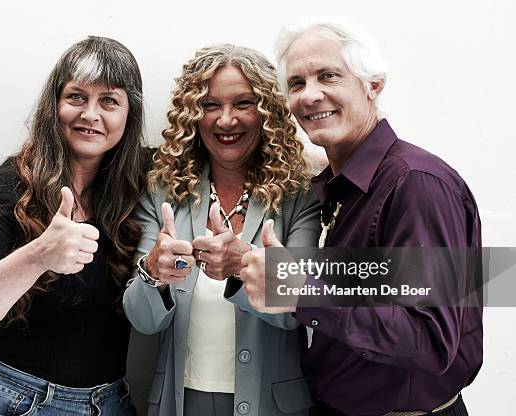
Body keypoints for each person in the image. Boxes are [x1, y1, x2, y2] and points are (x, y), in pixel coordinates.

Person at [240, 18, 483, 416]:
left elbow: (428, 340)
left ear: (374, 85)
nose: (310, 95)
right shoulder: (343, 185)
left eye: (328, 75)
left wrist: (299, 290)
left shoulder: (415, 184)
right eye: (297, 83)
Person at [0, 36, 148, 416]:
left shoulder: (137, 183)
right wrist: (38, 255)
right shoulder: (13, 186)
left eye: (109, 101)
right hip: (3, 400)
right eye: (77, 97)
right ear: (55, 105)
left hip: (108, 402)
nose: (91, 114)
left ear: (129, 115)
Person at [123, 44, 319, 416]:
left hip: (272, 405)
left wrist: (243, 267)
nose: (225, 120)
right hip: (179, 402)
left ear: (267, 114)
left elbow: (300, 309)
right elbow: (143, 321)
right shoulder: (163, 192)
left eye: (243, 103)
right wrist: (154, 274)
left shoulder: (299, 197)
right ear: (193, 115)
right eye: (210, 105)